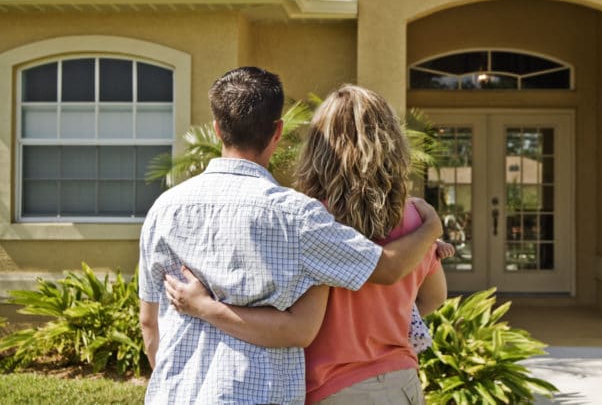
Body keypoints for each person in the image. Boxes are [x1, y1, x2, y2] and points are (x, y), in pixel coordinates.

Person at [138, 68, 443, 404]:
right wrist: (432, 229)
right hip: (393, 383)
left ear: (216, 130)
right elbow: (414, 287)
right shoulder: (303, 218)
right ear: (277, 132)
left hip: (194, 393)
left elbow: (149, 323)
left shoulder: (164, 208)